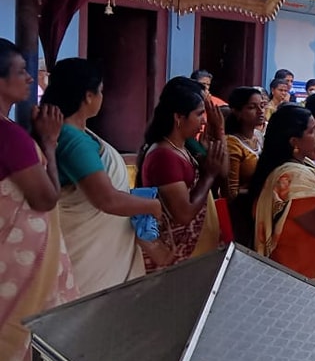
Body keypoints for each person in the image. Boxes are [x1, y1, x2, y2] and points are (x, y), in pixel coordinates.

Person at [0, 39, 78, 361]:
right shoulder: (9, 136)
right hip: (19, 272)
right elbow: (45, 199)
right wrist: (48, 144)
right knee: (27, 354)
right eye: (21, 71)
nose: (31, 77)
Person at [42, 58, 165, 295]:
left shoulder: (73, 134)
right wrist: (152, 205)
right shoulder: (73, 140)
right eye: (100, 91)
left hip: (90, 250)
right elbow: (107, 199)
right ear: (88, 96)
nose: (102, 97)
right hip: (88, 258)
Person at [137, 77, 226, 272]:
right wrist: (208, 176)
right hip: (177, 258)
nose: (204, 120)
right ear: (179, 118)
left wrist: (219, 133)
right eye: (199, 114)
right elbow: (184, 214)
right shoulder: (164, 156)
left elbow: (223, 171)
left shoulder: (182, 148)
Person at [250, 105, 315, 288]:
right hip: (302, 277)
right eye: (310, 131)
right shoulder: (292, 177)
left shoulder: (304, 164)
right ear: (294, 141)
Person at [224, 87, 265, 248]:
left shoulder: (259, 137)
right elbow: (231, 192)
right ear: (237, 112)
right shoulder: (232, 143)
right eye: (252, 107)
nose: (260, 111)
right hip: (240, 215)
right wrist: (259, 189)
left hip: (257, 211)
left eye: (261, 105)